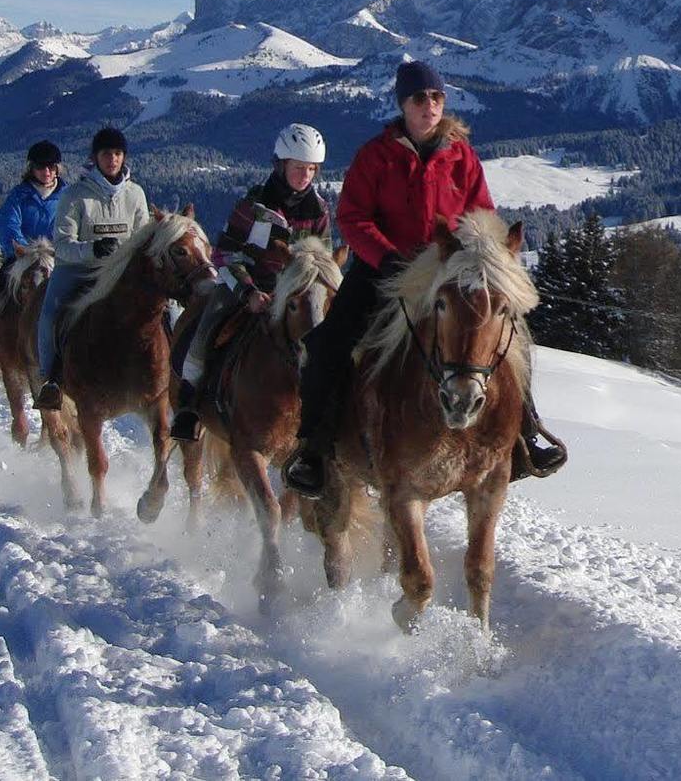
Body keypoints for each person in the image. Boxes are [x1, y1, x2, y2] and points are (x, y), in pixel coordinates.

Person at [282, 60, 566, 497]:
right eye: (420, 98)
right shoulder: (376, 156)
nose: (429, 105)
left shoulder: (461, 157)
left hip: (448, 273)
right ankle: (315, 447)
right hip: (385, 270)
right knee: (330, 342)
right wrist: (387, 257)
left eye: (436, 97)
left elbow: (481, 214)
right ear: (403, 104)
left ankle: (524, 436)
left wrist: (475, 255)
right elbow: (353, 218)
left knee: (514, 340)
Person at [168, 122, 332, 441]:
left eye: (312, 169)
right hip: (247, 285)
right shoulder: (254, 205)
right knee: (207, 326)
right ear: (282, 165)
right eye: (299, 168)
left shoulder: (320, 211)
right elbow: (225, 253)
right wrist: (248, 292)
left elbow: (322, 260)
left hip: (294, 293)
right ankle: (189, 401)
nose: (305, 175)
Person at [35, 127, 148, 408]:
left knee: (168, 310)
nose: (113, 159)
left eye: (118, 153)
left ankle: (172, 376)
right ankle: (51, 378)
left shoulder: (135, 194)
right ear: (96, 157)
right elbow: (61, 244)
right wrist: (92, 249)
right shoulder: (74, 195)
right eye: (106, 153)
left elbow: (144, 238)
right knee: (50, 314)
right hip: (77, 270)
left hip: (123, 273)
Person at [0, 140, 64, 382]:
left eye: (51, 167)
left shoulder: (66, 195)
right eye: (42, 167)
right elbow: (8, 224)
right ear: (32, 168)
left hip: (57, 257)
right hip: (22, 257)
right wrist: (25, 249)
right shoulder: (19, 195)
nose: (47, 172)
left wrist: (56, 248)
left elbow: (70, 224)